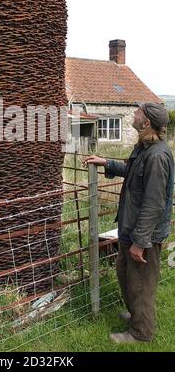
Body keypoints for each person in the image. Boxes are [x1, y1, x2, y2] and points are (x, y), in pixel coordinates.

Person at [84, 102, 174, 344]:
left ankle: (141, 333)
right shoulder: (146, 148)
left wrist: (140, 242)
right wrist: (107, 163)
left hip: (143, 234)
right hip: (131, 228)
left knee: (141, 283)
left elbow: (154, 203)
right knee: (126, 276)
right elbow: (133, 172)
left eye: (138, 112)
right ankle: (137, 316)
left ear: (146, 123)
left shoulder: (157, 156)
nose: (134, 114)